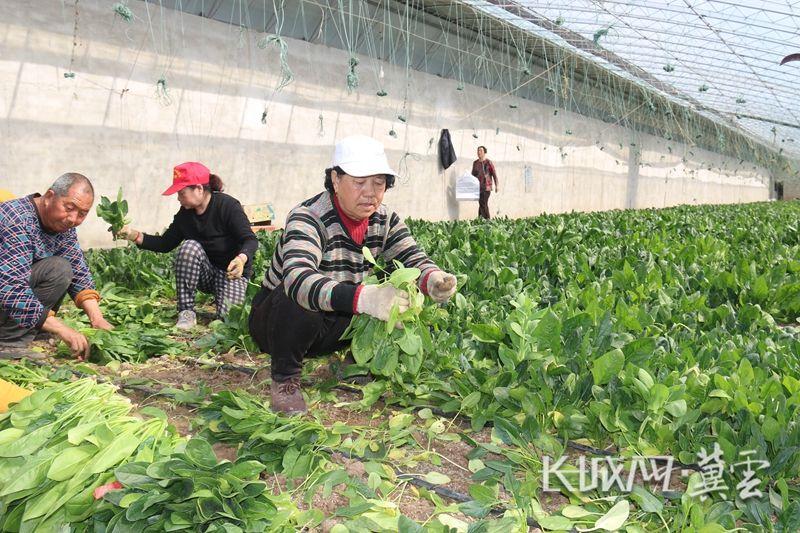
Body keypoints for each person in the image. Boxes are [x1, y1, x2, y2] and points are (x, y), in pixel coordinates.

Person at [249, 135, 458, 415]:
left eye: (379, 183)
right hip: (277, 326)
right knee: (300, 295)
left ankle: (353, 362)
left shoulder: (385, 219)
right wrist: (367, 298)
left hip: (334, 323)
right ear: (335, 180)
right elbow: (298, 279)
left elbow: (411, 258)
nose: (370, 193)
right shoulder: (308, 216)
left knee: (400, 290)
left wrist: (432, 278)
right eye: (359, 182)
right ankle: (285, 380)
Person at [117, 163, 258, 329]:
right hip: (205, 274)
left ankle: (219, 304)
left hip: (231, 273)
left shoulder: (227, 206)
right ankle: (186, 312)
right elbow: (164, 243)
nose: (178, 198)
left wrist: (241, 259)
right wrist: (133, 235)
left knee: (227, 322)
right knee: (189, 247)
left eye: (181, 193)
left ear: (198, 188)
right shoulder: (185, 216)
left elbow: (250, 239)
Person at [0, 173, 113, 360]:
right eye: (69, 208)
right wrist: (62, 329)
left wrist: (97, 318)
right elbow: (10, 288)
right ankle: (8, 343)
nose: (73, 219)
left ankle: (32, 331)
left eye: (82, 214)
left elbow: (78, 270)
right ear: (49, 197)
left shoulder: (61, 226)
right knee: (57, 268)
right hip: (6, 290)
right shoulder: (16, 219)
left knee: (63, 268)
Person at [471, 146, 499, 219]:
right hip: (478, 187)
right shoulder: (475, 163)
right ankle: (481, 220)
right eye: (478, 151)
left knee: (483, 203)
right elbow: (472, 175)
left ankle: (487, 220)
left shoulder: (488, 162)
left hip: (486, 187)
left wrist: (497, 185)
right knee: (482, 204)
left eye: (480, 151)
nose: (479, 152)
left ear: (484, 152)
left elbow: (494, 174)